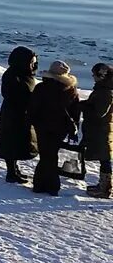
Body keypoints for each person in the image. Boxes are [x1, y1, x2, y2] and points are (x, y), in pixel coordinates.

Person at [29, 60, 82, 197]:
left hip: (42, 126)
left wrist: (33, 121)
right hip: (61, 128)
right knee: (52, 154)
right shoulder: (70, 89)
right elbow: (75, 111)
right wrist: (73, 127)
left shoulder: (42, 87)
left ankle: (42, 185)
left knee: (46, 155)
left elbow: (33, 108)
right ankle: (50, 185)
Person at [0, 46, 38, 184]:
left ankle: (14, 170)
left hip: (20, 114)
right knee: (11, 143)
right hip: (13, 115)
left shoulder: (24, 74)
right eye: (31, 63)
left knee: (18, 142)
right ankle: (11, 172)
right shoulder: (12, 76)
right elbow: (12, 94)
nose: (34, 66)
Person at [83, 63, 112, 199]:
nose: (93, 77)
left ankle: (105, 188)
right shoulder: (105, 89)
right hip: (105, 128)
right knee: (104, 158)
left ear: (101, 76)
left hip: (103, 130)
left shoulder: (105, 92)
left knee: (105, 159)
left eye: (94, 74)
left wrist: (84, 106)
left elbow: (99, 112)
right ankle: (103, 185)